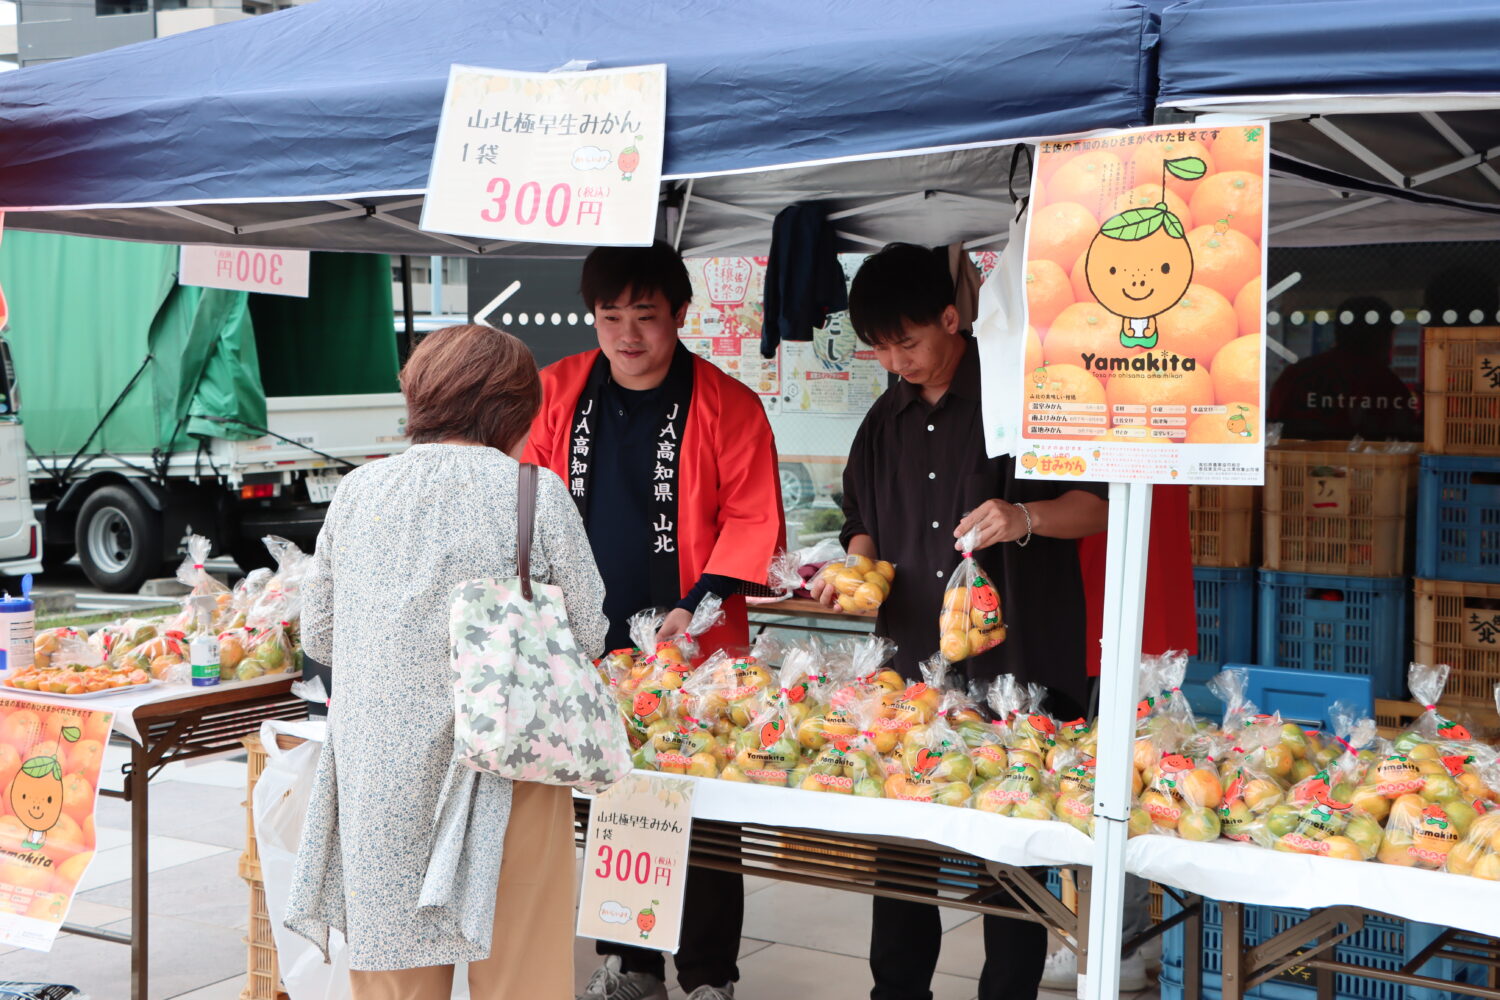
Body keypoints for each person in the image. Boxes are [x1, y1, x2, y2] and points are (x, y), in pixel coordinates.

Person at [811, 243, 1109, 1000]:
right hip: (912, 676)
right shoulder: (882, 421)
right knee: (903, 851)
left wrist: (1022, 516)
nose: (895, 362)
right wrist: (855, 571)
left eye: (906, 343)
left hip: (1019, 672)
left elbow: (1094, 507)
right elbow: (859, 520)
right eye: (879, 348)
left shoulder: (1024, 398)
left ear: (951, 318)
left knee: (1011, 858)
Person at [284, 325, 608, 1000]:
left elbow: (319, 636)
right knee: (522, 979)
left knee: (395, 983)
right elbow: (586, 633)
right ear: (518, 409)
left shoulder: (358, 490)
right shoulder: (535, 492)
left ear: (420, 396)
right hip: (508, 764)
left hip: (381, 773)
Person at [524, 241, 784, 1000]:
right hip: (587, 639)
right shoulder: (556, 391)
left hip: (694, 642)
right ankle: (631, 962)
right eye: (610, 317)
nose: (627, 335)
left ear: (680, 314)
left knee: (704, 802)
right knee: (617, 796)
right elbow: (524, 497)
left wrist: (694, 605)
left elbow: (751, 517)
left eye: (645, 315)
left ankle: (708, 975)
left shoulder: (729, 405)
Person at [1267, 296, 1420, 440]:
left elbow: (1272, 428)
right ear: (1381, 338)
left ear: (1337, 332)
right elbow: (1406, 437)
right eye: (1389, 337)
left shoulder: (1297, 376)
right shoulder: (1386, 383)